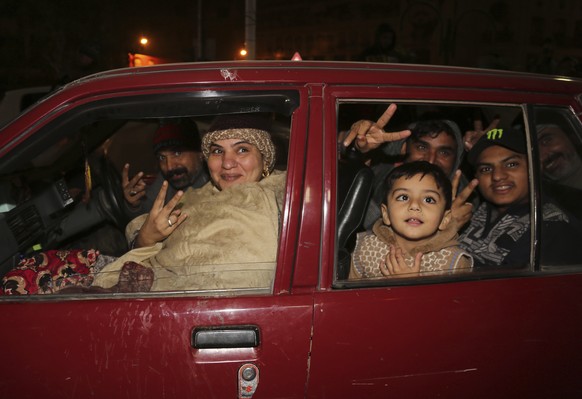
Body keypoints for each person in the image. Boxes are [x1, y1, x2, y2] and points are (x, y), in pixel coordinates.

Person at [92, 113, 286, 292]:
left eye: (242, 150)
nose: (227, 163)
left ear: (265, 157)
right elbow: (154, 230)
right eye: (217, 151)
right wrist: (145, 238)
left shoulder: (278, 203)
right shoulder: (198, 194)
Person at [459, 125, 582, 268]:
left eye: (511, 164)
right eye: (486, 169)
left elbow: (503, 287)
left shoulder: (548, 228)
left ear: (534, 168)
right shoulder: (478, 210)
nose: (497, 176)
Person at [343, 104, 478, 230]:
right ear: (404, 148)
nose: (430, 160)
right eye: (421, 147)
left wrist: (448, 227)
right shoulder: (382, 173)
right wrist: (355, 144)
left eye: (444, 152)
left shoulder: (464, 199)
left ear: (457, 159)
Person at [349, 161, 472, 279]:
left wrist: (411, 284)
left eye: (429, 200)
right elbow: (350, 296)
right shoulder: (365, 247)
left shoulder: (454, 264)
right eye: (403, 197)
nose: (414, 205)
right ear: (385, 214)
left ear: (445, 219)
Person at [121, 119, 209, 220]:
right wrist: (134, 205)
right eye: (162, 158)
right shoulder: (164, 181)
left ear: (200, 152)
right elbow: (144, 215)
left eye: (177, 153)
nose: (169, 167)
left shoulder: (214, 182)